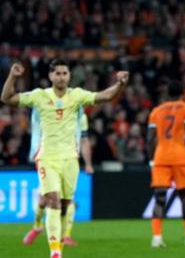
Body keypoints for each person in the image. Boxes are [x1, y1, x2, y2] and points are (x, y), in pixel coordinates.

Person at [1, 59, 128, 258]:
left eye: (64, 73)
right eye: (57, 73)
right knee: (52, 200)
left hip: (70, 159)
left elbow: (106, 96)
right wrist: (13, 76)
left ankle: (49, 232)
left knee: (66, 203)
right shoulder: (39, 96)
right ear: (51, 76)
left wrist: (121, 83)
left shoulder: (77, 95)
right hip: (47, 158)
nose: (61, 77)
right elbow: (7, 98)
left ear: (69, 76)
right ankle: (55, 252)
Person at [147, 80, 185, 248]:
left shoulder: (156, 111)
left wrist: (152, 160)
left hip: (160, 157)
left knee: (159, 199)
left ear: (167, 94)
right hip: (180, 157)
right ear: (183, 93)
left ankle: (156, 238)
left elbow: (150, 138)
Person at [23, 110, 94, 246]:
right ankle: (37, 226)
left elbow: (84, 140)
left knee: (68, 200)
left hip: (69, 160)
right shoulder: (49, 111)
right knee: (44, 200)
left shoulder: (80, 117)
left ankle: (65, 236)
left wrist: (88, 164)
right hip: (48, 159)